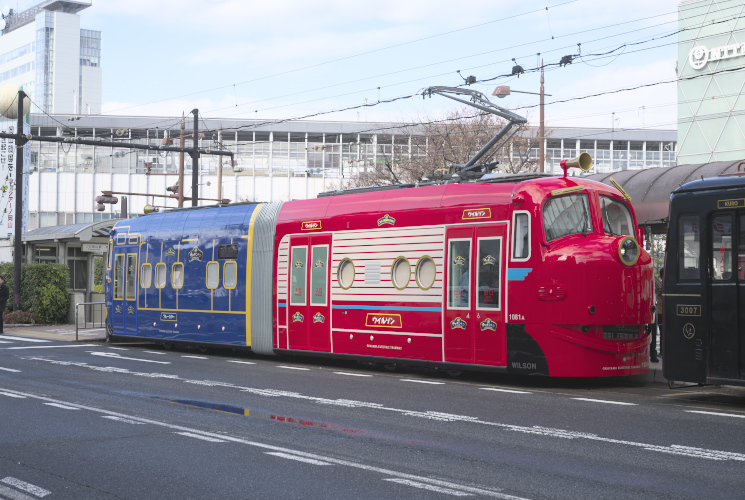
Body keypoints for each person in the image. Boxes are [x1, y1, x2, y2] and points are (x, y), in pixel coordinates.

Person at [651, 270, 663, 363]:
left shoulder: (658, 283)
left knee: (655, 334)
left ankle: (654, 353)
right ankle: (654, 354)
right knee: (655, 334)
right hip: (657, 311)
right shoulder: (657, 283)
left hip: (654, 310)